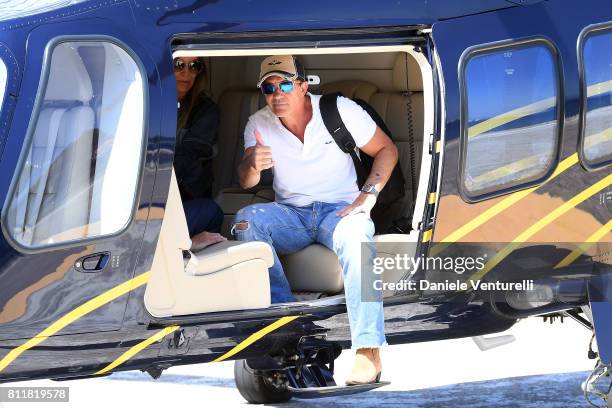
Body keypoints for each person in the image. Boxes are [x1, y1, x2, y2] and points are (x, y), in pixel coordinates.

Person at [233, 55, 399, 385]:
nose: (276, 93)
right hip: (291, 215)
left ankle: (369, 350)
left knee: (358, 237)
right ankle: (284, 322)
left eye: (284, 84)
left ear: (303, 85)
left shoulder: (340, 110)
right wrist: (252, 163)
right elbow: (246, 183)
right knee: (246, 220)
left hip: (337, 210)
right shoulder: (258, 123)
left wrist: (367, 195)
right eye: (268, 87)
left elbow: (387, 150)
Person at [173, 56, 226, 250]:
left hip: (176, 201)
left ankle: (184, 250)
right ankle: (186, 246)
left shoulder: (205, 110)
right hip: (138, 204)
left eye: (194, 66)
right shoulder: (142, 104)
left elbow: (188, 156)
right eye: (178, 65)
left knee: (211, 211)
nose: (186, 73)